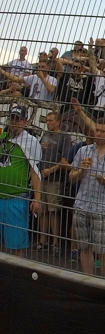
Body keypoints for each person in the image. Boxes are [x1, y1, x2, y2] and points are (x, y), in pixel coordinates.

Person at [68, 117, 105, 278]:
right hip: (82, 204)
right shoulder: (83, 151)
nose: (98, 134)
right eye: (97, 130)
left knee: (103, 251)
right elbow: (71, 177)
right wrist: (81, 171)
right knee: (84, 246)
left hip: (102, 207)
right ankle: (88, 280)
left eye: (102, 131)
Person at [0, 106, 42, 256]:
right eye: (12, 118)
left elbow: (35, 171)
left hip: (16, 198)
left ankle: (17, 276)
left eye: (18, 119)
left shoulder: (31, 142)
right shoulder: (2, 136)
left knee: (16, 244)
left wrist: (37, 199)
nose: (14, 122)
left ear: (25, 121)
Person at [36, 111, 71, 252]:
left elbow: (65, 159)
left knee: (53, 210)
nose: (49, 123)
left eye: (51, 121)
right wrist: (40, 148)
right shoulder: (44, 135)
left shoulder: (64, 137)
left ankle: (55, 242)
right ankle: (42, 240)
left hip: (55, 178)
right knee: (42, 210)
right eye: (47, 121)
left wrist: (51, 170)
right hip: (42, 176)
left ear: (58, 122)